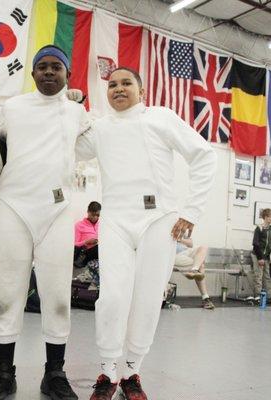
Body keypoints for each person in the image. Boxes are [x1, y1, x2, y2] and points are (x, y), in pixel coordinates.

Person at [75, 67, 217, 400]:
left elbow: (204, 156)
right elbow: (73, 147)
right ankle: (108, 371)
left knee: (148, 298)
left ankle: (131, 372)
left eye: (126, 83)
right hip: (115, 220)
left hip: (159, 220)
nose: (118, 88)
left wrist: (191, 212)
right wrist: (72, 110)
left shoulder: (160, 118)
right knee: (112, 297)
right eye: (112, 85)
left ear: (142, 91)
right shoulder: (100, 127)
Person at [0, 45, 90, 400]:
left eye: (56, 66)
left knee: (57, 294)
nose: (48, 72)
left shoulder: (77, 112)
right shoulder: (13, 107)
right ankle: (4, 372)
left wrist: (79, 101)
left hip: (56, 212)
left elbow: (96, 145)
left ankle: (54, 373)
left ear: (67, 74)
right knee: (7, 291)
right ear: (32, 74)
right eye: (41, 67)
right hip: (12, 206)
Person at [174, 237, 215, 310]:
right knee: (201, 265)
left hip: (187, 251)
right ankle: (205, 298)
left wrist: (180, 239)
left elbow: (190, 244)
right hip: (174, 254)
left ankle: (194, 269)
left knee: (203, 247)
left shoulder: (183, 226)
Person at [251, 209, 271, 304]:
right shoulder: (259, 228)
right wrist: (260, 258)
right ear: (266, 217)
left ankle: (268, 296)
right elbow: (255, 244)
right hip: (258, 256)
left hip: (266, 257)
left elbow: (269, 242)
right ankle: (257, 296)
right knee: (258, 276)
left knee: (266, 276)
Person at [74, 201, 101, 268]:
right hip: (87, 251)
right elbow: (75, 244)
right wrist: (86, 242)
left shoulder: (101, 225)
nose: (95, 217)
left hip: (100, 250)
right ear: (88, 212)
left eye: (98, 215)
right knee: (99, 248)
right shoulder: (79, 225)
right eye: (93, 214)